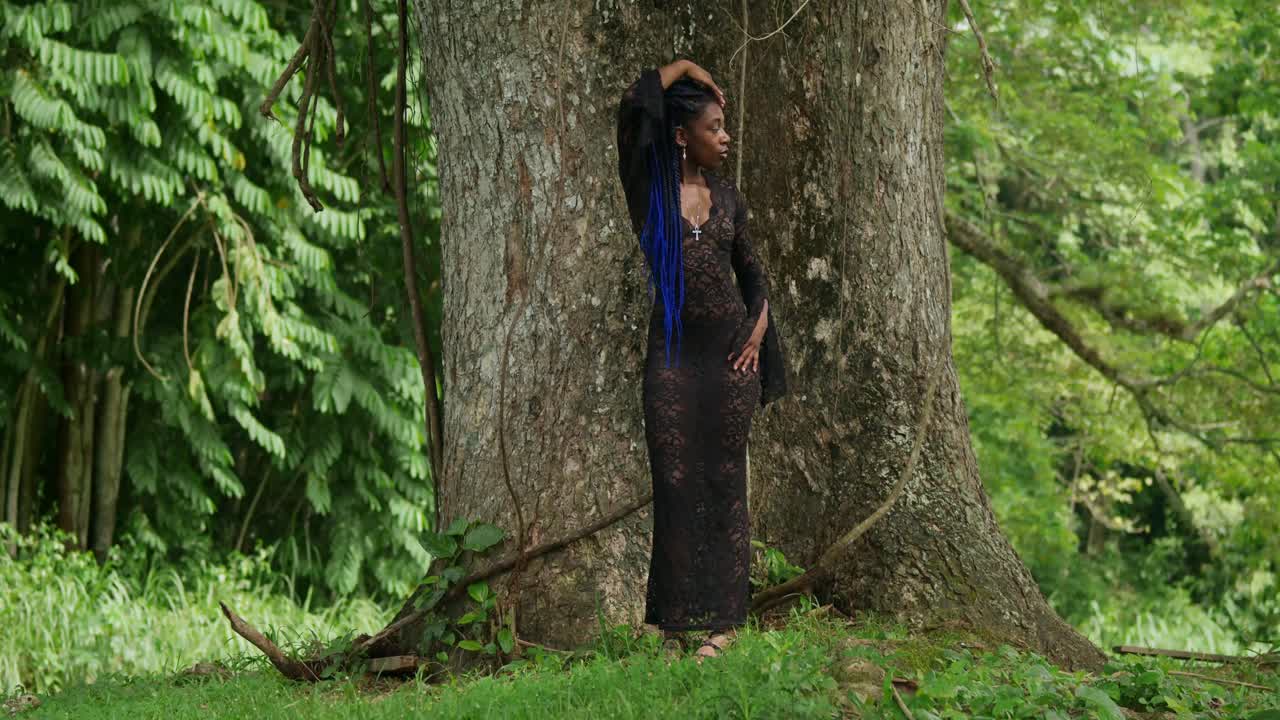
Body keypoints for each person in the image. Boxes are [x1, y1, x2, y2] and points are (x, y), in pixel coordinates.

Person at [615, 59, 788, 662]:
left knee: (724, 483)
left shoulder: (729, 199)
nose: (726, 137)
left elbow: (756, 277)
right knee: (674, 483)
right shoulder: (650, 191)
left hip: (729, 362)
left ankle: (724, 624)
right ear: (683, 135)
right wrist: (685, 68)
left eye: (727, 127)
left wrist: (759, 326)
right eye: (715, 127)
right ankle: (670, 625)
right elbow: (631, 110)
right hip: (671, 356)